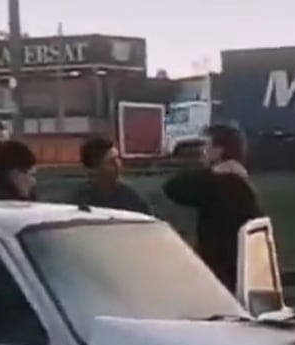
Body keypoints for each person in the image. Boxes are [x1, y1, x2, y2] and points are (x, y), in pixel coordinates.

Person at [162, 123, 264, 293]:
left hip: (219, 272)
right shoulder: (243, 186)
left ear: (219, 150)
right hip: (241, 271)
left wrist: (213, 171)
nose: (203, 151)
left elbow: (173, 187)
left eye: (207, 145)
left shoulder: (217, 184)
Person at [73, 136, 152, 214]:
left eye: (118, 159)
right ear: (95, 169)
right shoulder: (80, 200)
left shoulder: (131, 198)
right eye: (111, 162)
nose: (118, 166)